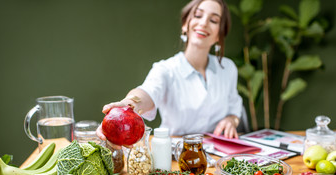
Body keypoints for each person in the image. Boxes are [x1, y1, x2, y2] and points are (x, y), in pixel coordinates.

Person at [97, 0, 243, 148]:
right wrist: (127, 105)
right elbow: (147, 92)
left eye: (213, 20)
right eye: (198, 15)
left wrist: (231, 120)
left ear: (219, 34)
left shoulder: (228, 68)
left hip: (217, 153)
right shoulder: (166, 69)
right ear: (185, 24)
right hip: (175, 155)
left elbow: (234, 108)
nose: (204, 23)